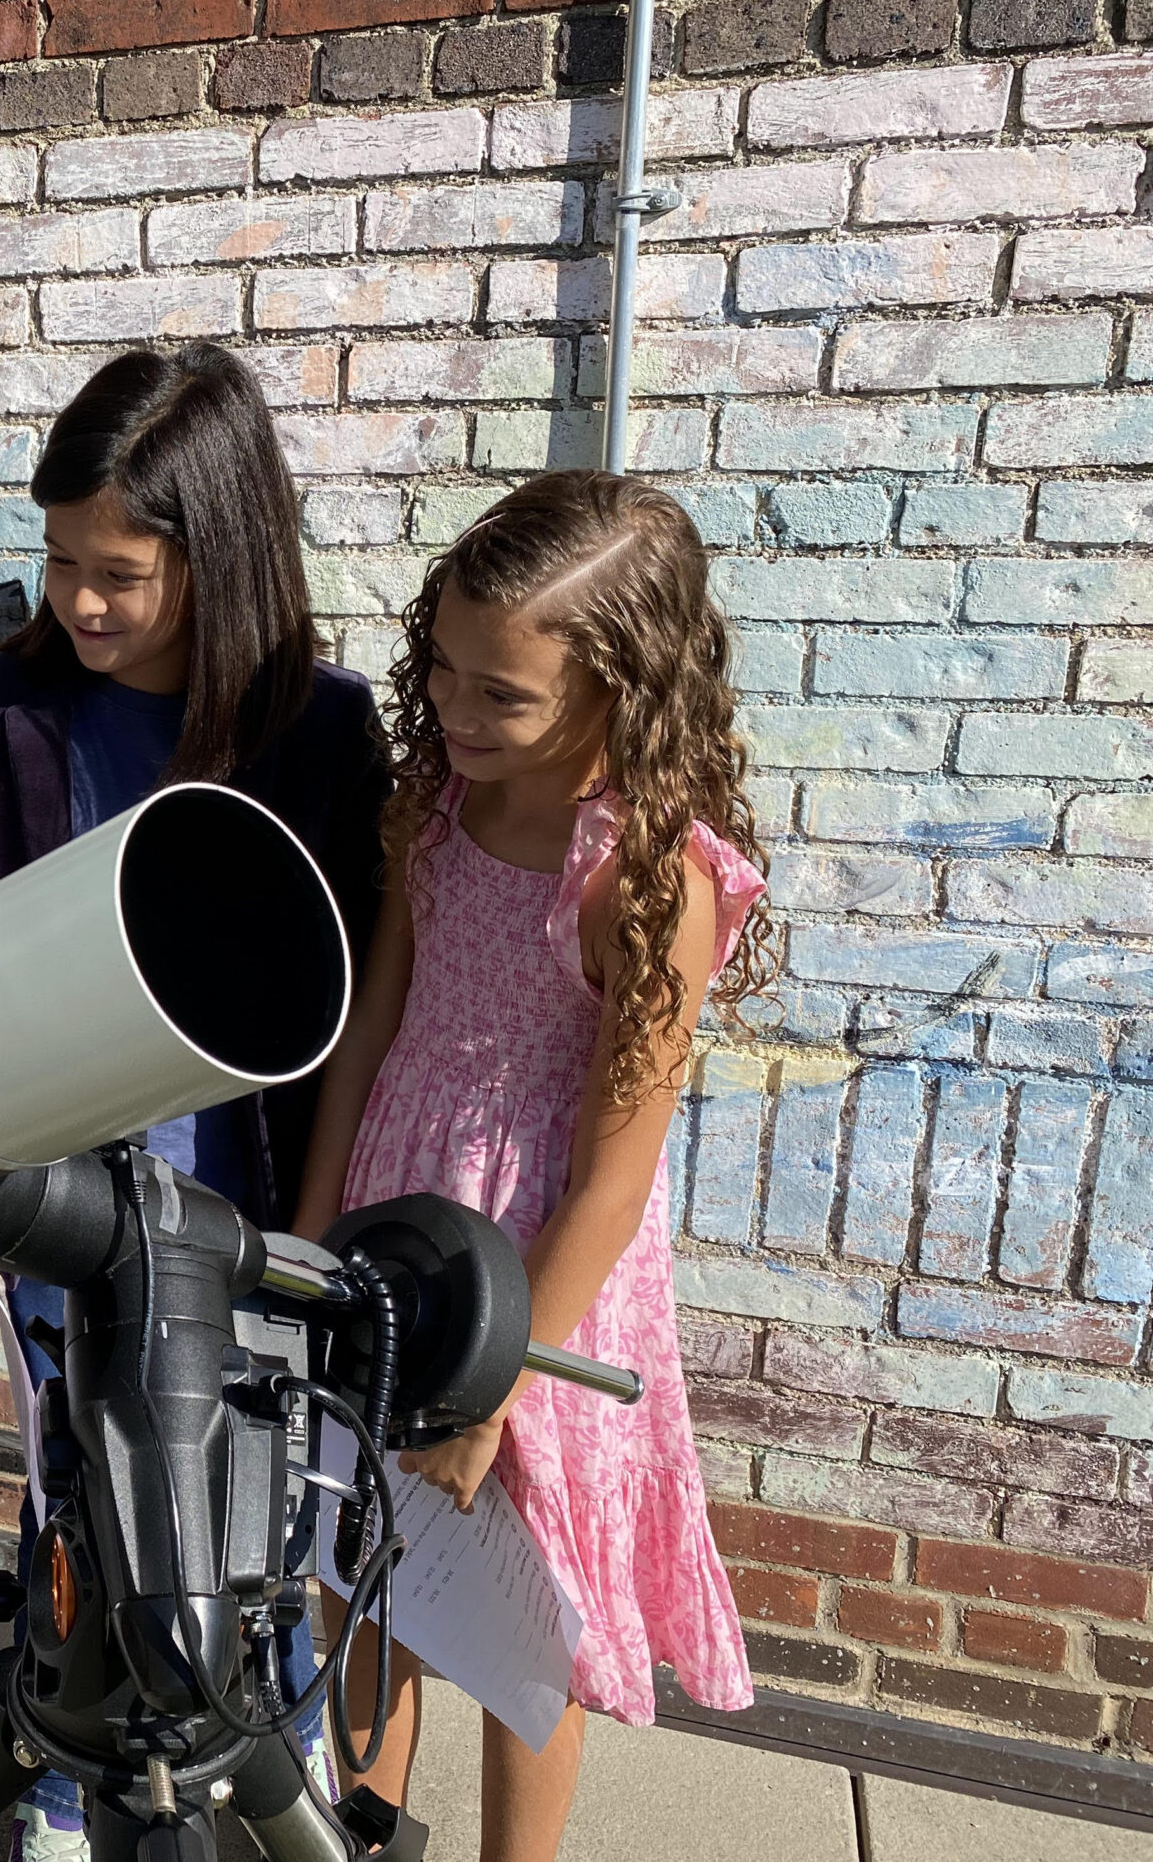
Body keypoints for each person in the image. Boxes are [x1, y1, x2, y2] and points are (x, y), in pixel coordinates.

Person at [0, 342, 391, 1860]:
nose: (77, 603)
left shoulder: (319, 731)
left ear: (220, 554)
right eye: (56, 562)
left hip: (249, 1225)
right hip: (55, 1223)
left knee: (254, 1541)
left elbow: (360, 999)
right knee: (79, 1515)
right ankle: (60, 1788)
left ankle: (267, 1792)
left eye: (115, 571)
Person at [295, 470, 777, 1862]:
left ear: (624, 689)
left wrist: (500, 1389)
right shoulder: (438, 802)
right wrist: (316, 1232)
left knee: (523, 1617)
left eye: (500, 693)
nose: (453, 706)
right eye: (441, 667)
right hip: (397, 1222)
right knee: (367, 1567)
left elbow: (616, 1180)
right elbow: (373, 1022)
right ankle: (364, 1835)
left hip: (538, 1278)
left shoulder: (649, 878)